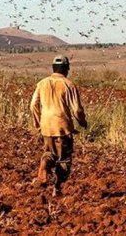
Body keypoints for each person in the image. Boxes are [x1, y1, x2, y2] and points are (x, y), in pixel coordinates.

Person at [30, 55, 87, 196]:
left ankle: (45, 164)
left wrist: (38, 123)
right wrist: (82, 122)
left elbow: (33, 105)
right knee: (64, 159)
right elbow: (77, 110)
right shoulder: (68, 84)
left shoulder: (42, 83)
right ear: (67, 69)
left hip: (46, 126)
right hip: (63, 126)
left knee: (49, 152)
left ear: (53, 68)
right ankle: (57, 187)